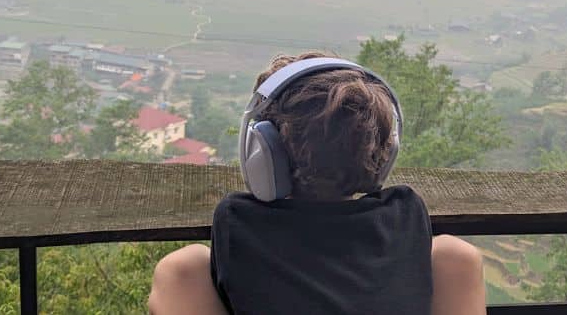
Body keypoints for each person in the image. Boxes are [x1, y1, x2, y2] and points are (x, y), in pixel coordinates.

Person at [148, 52, 485, 315]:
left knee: (181, 269)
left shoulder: (239, 222)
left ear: (262, 152)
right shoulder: (405, 215)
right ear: (386, 153)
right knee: (456, 255)